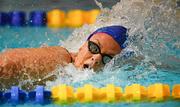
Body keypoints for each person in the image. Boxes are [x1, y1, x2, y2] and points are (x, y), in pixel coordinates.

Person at [0, 25, 128, 79]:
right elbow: (3, 65)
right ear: (82, 46)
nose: (97, 59)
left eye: (107, 58)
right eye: (94, 48)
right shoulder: (61, 58)